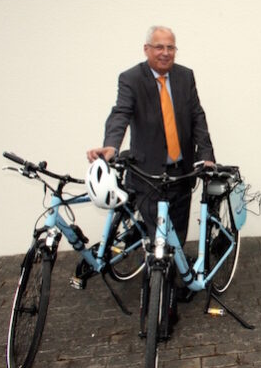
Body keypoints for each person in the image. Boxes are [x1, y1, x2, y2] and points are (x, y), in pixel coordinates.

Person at [87, 25, 215, 246]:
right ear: (146, 49)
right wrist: (111, 146)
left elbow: (197, 117)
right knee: (157, 238)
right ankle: (156, 278)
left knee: (178, 232)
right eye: (159, 47)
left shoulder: (185, 76)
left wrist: (205, 155)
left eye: (170, 47)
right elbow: (121, 113)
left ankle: (174, 275)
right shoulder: (131, 79)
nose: (165, 52)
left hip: (181, 173)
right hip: (148, 175)